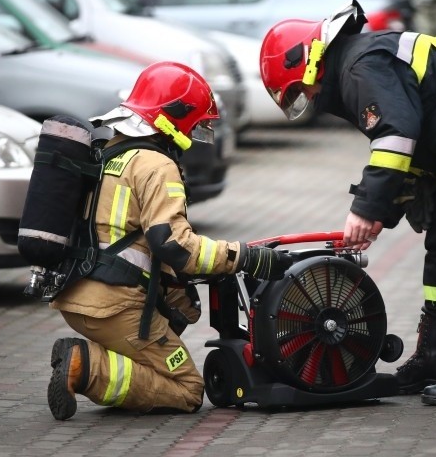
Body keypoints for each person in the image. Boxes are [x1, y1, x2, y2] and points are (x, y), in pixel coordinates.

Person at [259, 1, 436, 406]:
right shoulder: (357, 63)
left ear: (307, 64)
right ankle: (434, 357)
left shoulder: (359, 66)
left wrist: (366, 209)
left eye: (297, 89)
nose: (304, 97)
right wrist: (383, 211)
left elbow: (396, 136)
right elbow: (407, 147)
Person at [46, 61, 293, 420]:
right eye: (195, 126)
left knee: (173, 323)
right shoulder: (156, 166)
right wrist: (246, 257)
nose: (195, 136)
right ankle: (86, 366)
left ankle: (98, 360)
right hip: (115, 309)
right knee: (187, 389)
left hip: (78, 297)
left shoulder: (112, 150)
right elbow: (175, 246)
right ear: (172, 118)